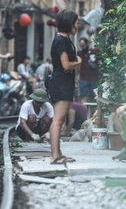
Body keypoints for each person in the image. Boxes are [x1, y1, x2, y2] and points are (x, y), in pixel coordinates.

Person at [48, 9, 82, 164]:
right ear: (69, 23)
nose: (78, 25)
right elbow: (66, 65)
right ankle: (55, 156)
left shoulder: (65, 40)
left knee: (59, 119)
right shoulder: (61, 41)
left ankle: (59, 153)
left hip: (64, 83)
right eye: (76, 22)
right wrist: (79, 62)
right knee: (58, 120)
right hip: (61, 83)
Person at [77, 37, 99, 103]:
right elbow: (77, 66)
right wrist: (76, 77)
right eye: (81, 46)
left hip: (94, 79)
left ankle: (92, 113)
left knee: (93, 97)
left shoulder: (95, 51)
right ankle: (83, 112)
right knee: (84, 96)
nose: (82, 47)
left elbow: (100, 62)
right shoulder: (79, 53)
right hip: (83, 79)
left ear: (87, 44)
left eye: (83, 45)